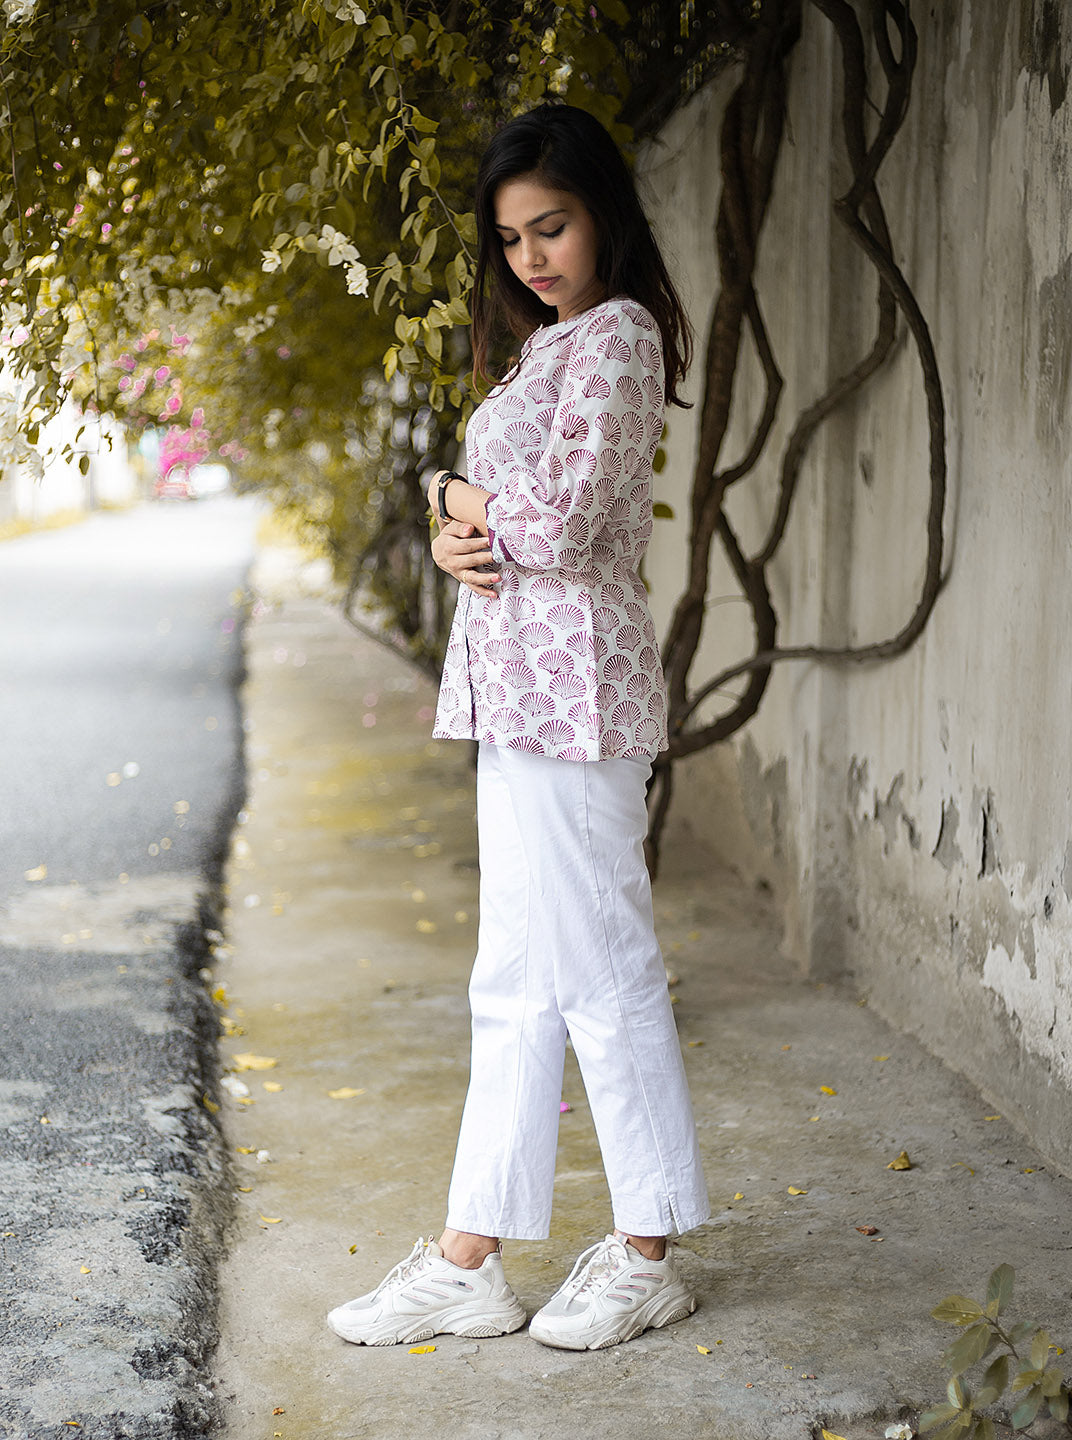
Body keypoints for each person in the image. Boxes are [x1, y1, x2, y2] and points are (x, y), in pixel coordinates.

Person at [327, 102, 709, 1353]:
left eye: (552, 226)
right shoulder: (544, 350)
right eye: (511, 239)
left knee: (602, 965)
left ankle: (648, 1248)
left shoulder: (617, 338)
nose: (533, 255)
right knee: (515, 979)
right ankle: (469, 1260)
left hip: (579, 693)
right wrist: (447, 504)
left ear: (602, 213)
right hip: (515, 693)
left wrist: (467, 497)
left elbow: (567, 523)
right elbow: (490, 512)